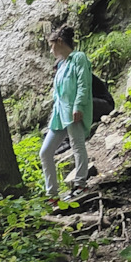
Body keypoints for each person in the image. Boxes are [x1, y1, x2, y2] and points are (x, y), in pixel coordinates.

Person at [40, 25, 93, 205]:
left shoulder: (78, 58)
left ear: (60, 42)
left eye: (51, 45)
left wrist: (78, 106)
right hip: (59, 116)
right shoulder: (61, 65)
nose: (51, 50)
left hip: (73, 111)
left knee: (77, 146)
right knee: (45, 152)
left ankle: (80, 185)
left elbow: (83, 84)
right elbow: (58, 94)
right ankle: (52, 195)